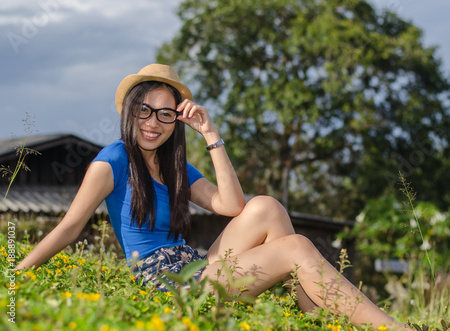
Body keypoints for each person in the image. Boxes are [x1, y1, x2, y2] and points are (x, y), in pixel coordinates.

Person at [16, 64, 410, 329]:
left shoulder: (176, 169)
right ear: (130, 112)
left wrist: (210, 133)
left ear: (177, 121)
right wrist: (16, 276)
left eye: (166, 114)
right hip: (165, 286)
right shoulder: (114, 160)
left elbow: (234, 207)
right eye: (146, 111)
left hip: (196, 267)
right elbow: (69, 227)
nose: (154, 123)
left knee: (267, 207)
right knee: (296, 248)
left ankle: (315, 317)